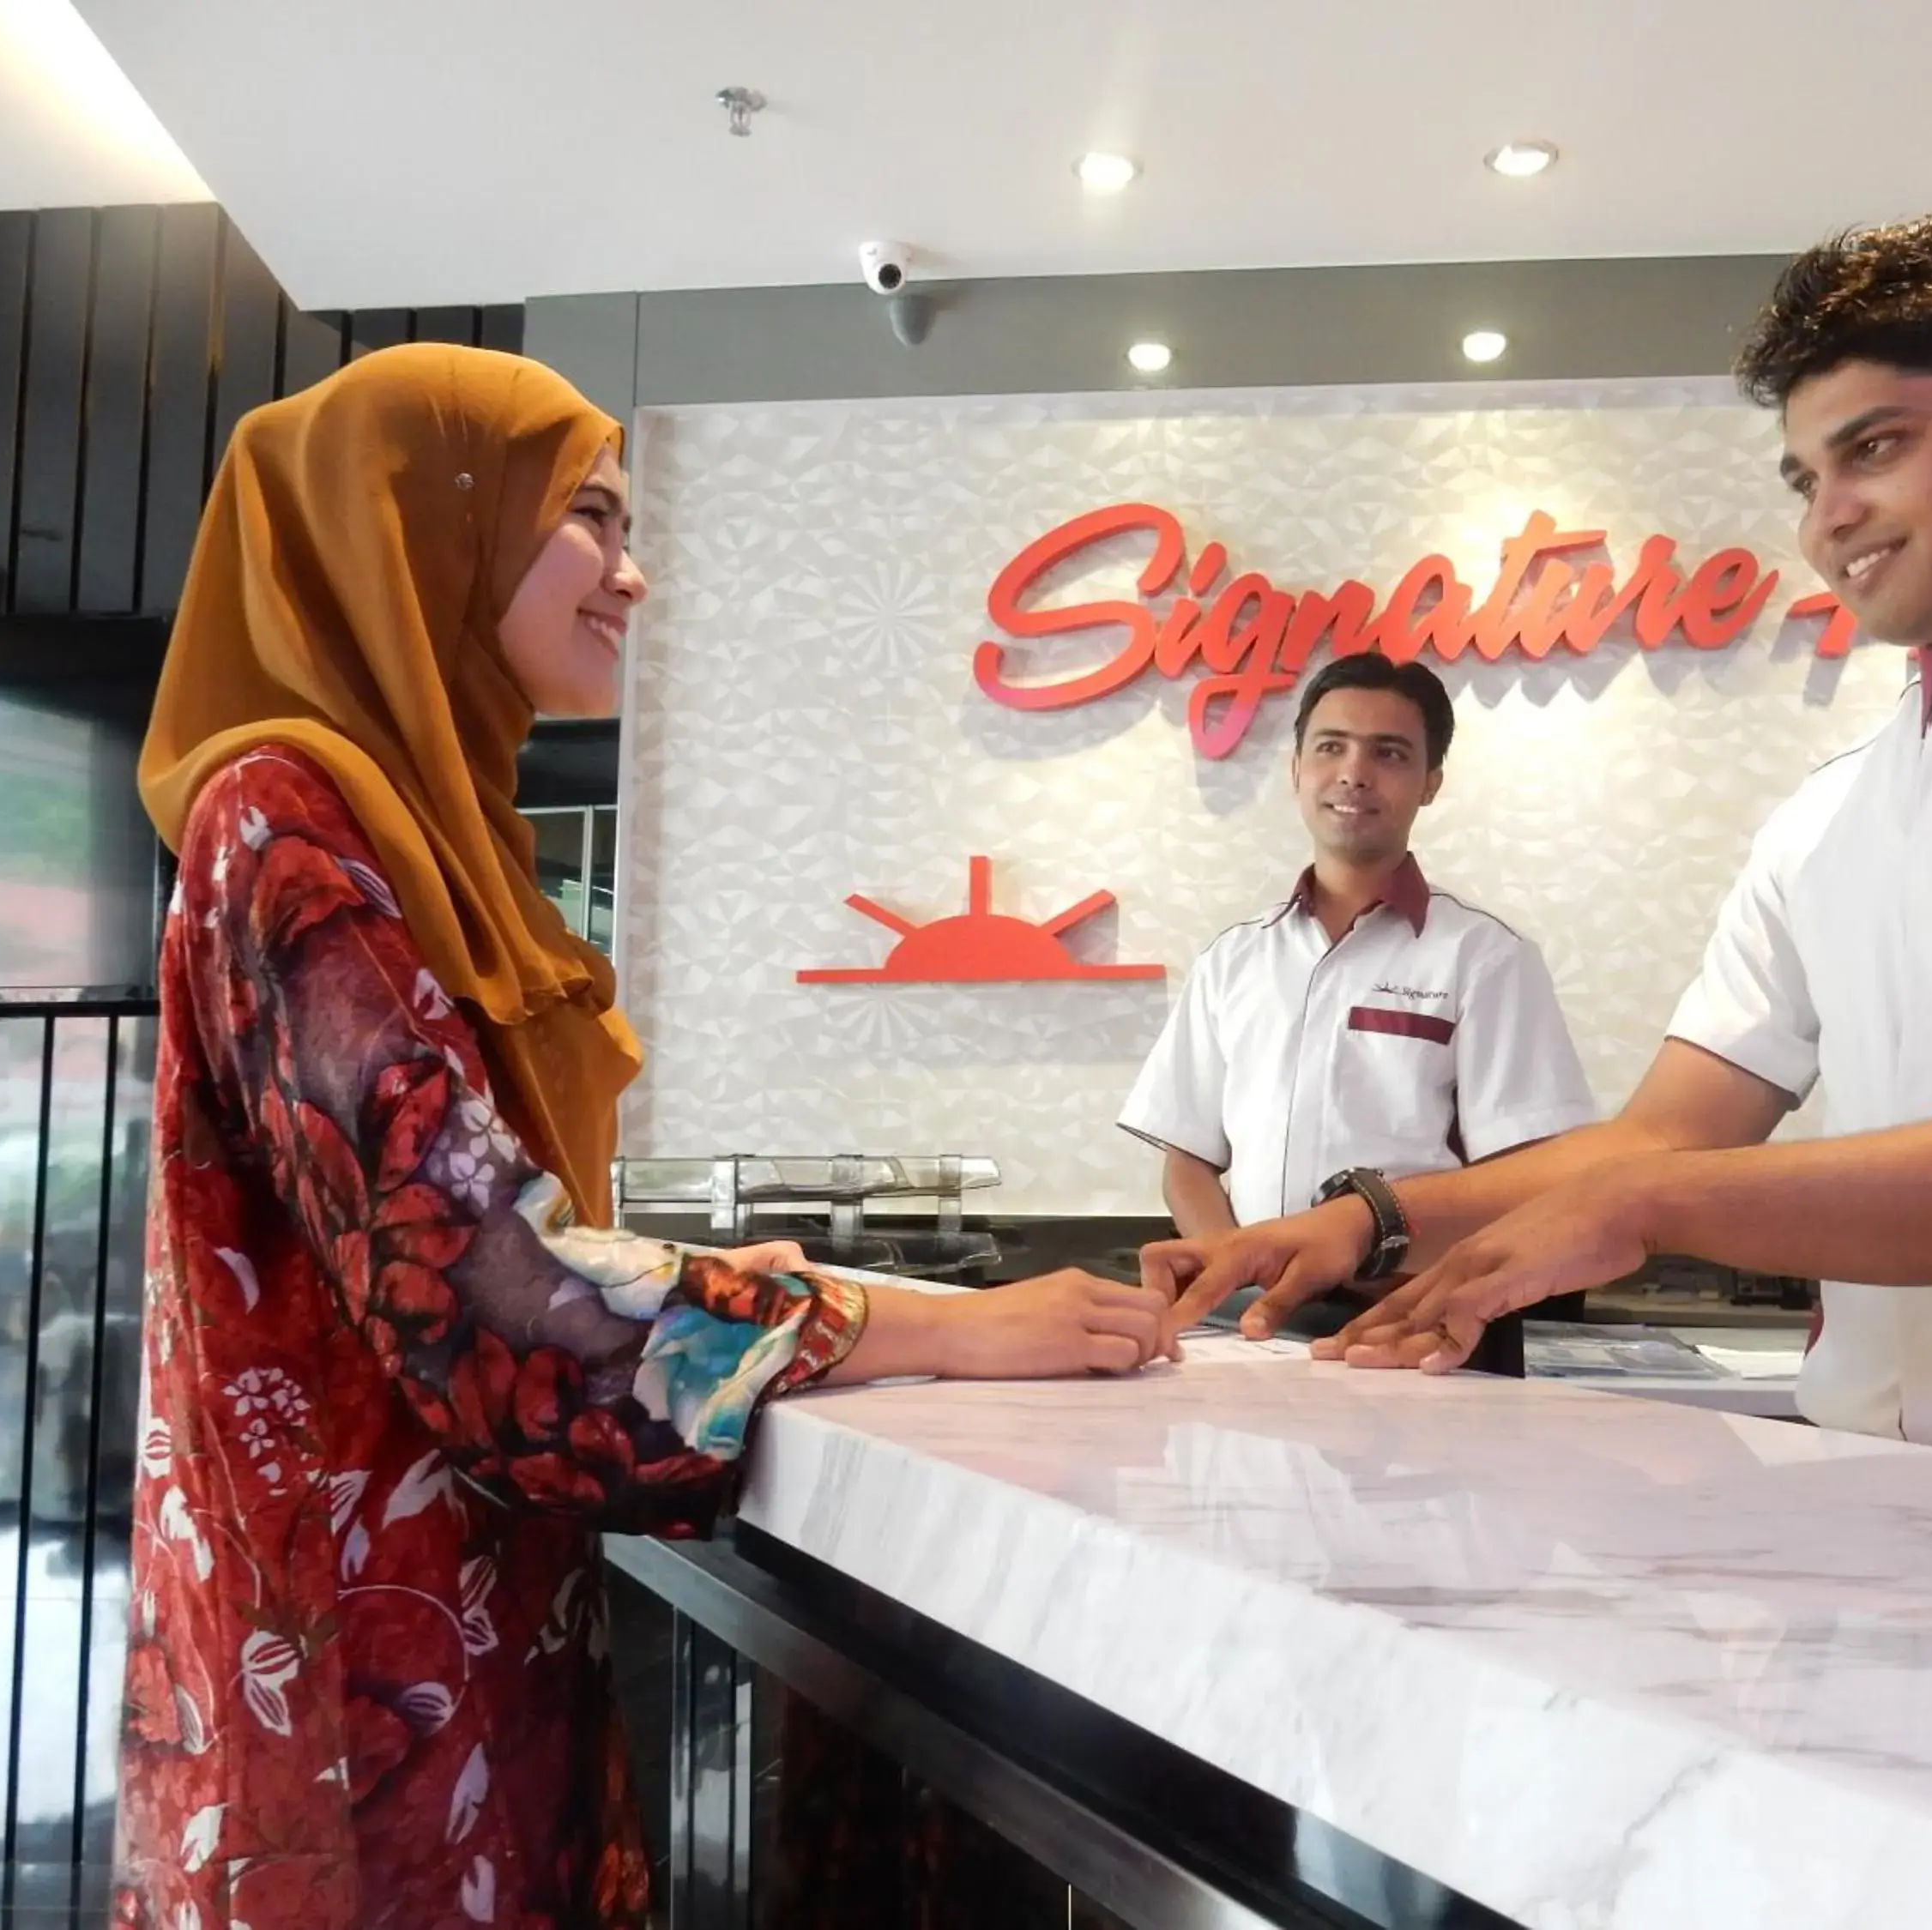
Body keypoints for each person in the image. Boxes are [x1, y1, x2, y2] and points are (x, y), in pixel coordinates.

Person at [117, 345, 1172, 1930]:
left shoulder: (410, 823)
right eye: (589, 517)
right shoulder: (283, 820)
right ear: (430, 525)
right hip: (350, 1679)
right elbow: (493, 1298)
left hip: (450, 1630)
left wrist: (731, 1286)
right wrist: (930, 1325)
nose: (635, 568)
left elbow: (469, 1230)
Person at [1143, 217, 1932, 1515]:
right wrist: (1368, 1220)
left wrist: (1649, 1204)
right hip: (1880, 1474)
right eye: (1805, 477)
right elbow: (1662, 1130)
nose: (1829, 519)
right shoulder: (1832, 806)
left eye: (1874, 449)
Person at [1119, 653, 1595, 1249]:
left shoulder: (1485, 958)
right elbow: (1187, 1159)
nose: (1354, 772)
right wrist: (1231, 1267)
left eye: (1389, 753)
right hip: (1250, 1312)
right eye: (1330, 747)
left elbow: (1526, 1173)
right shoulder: (1233, 959)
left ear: (1430, 783)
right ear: (1295, 769)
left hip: (1408, 1316)